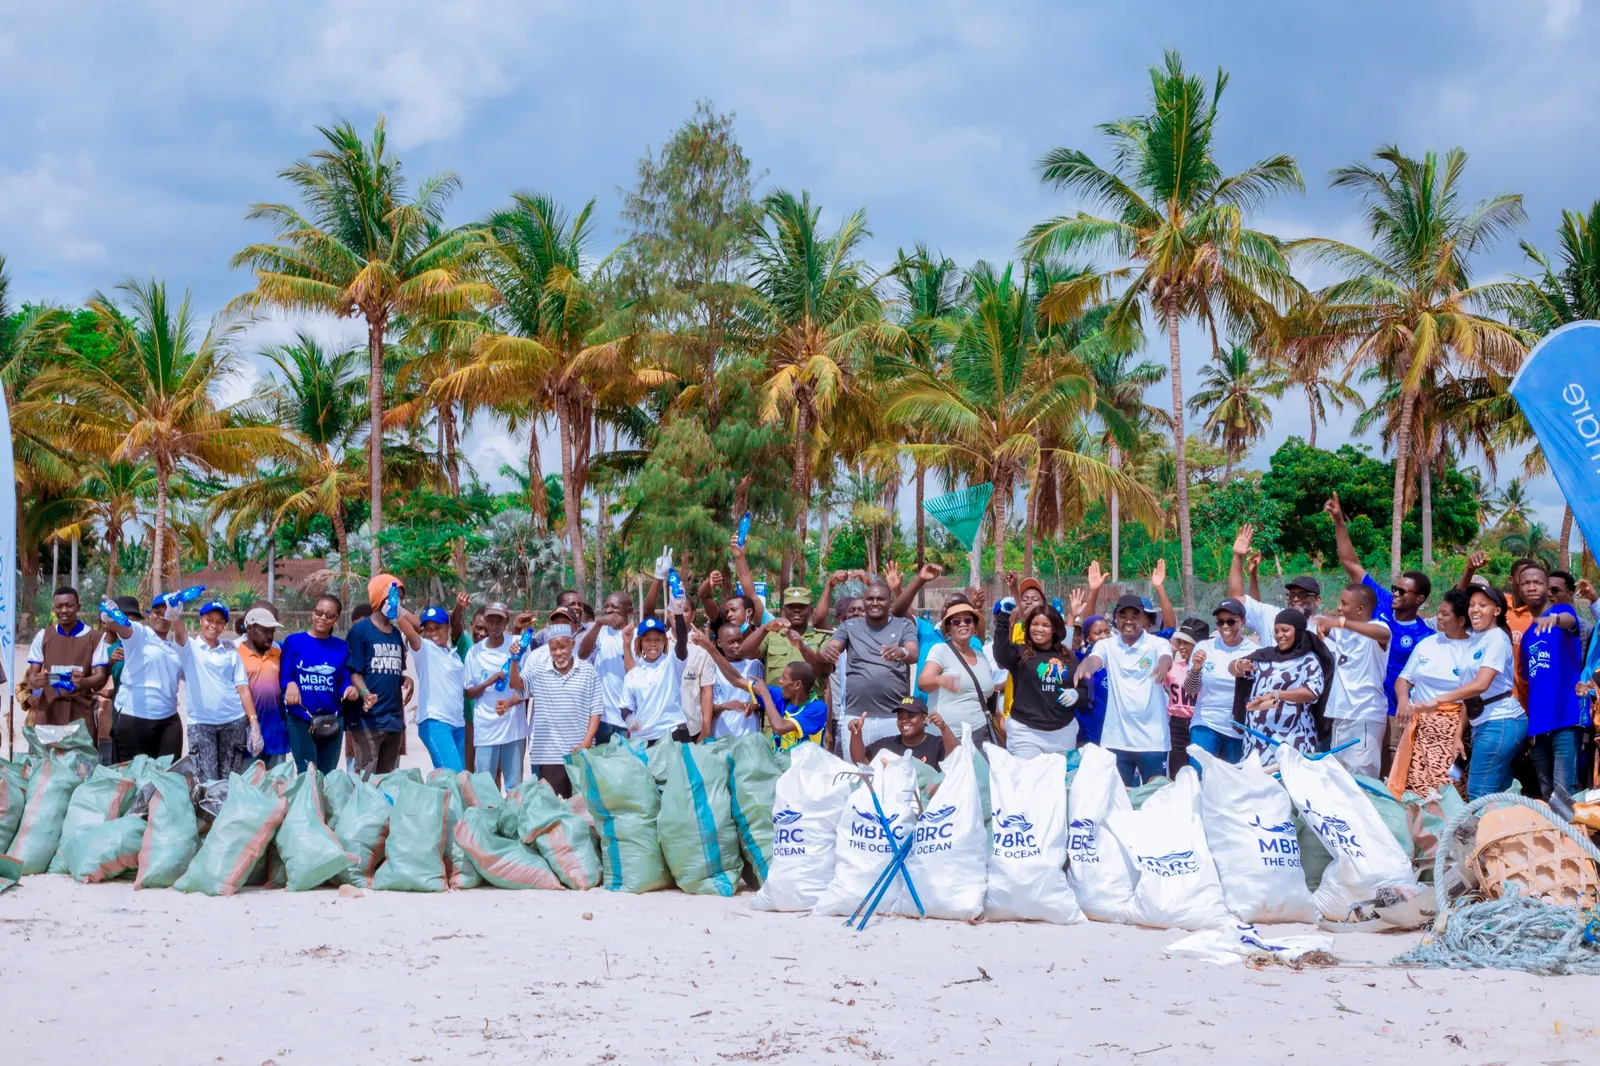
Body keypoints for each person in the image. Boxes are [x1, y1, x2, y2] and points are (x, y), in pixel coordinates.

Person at [1326, 494, 1434, 767]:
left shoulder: (1425, 634)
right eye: (1395, 588)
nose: (1395, 593)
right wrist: (1339, 521)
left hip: (1394, 711)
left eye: (1403, 590)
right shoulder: (1381, 602)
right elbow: (1351, 565)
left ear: (1420, 599)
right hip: (1360, 707)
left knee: (1384, 775)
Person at [1409, 585, 1523, 801]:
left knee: (1479, 793)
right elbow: (1470, 695)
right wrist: (1459, 735)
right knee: (1497, 793)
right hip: (1484, 721)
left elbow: (1480, 685)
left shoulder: (1497, 638)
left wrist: (1436, 700)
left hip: (1500, 721)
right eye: (1471, 605)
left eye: (1483, 605)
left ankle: (1483, 834)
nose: (1475, 610)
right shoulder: (1477, 639)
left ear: (1497, 611)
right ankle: (1503, 832)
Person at [1076, 593, 1173, 786]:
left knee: (1155, 798)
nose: (1129, 621)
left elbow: (1165, 657)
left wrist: (1164, 665)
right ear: (1116, 619)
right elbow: (1096, 659)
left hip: (1153, 741)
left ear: (1144, 618)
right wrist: (1086, 665)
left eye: (1135, 616)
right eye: (1123, 616)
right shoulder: (1107, 645)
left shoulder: (1156, 643)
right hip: (1116, 740)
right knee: (1118, 799)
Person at [171, 600, 262, 781]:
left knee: (230, 780)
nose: (213, 625)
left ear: (224, 626)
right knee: (207, 781)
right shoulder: (189, 648)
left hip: (233, 722)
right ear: (201, 620)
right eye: (209, 620)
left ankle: (228, 810)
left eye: (219, 622)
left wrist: (254, 725)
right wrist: (174, 617)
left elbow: (243, 688)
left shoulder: (230, 650)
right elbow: (180, 634)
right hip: (201, 724)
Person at [1394, 588, 1473, 797]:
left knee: (1449, 789)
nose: (1438, 617)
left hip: (1454, 731)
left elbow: (1470, 697)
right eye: (1439, 611)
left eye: (1445, 614)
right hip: (1420, 729)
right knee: (1417, 788)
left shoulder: (1473, 649)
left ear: (1462, 619)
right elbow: (1404, 679)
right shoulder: (1427, 644)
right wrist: (1403, 700)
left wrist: (1458, 733)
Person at [820, 581, 918, 747]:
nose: (874, 602)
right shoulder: (849, 626)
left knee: (893, 771)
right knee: (857, 771)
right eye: (870, 598)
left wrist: (903, 652)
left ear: (890, 602)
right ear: (863, 601)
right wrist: (826, 651)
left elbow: (913, 652)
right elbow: (833, 645)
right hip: (857, 717)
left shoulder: (903, 625)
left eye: (880, 598)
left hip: (894, 717)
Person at [513, 612, 600, 796]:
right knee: (554, 810)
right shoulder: (538, 672)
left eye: (563, 647)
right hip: (549, 756)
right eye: (554, 648)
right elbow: (516, 685)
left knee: (582, 809)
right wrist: (514, 660)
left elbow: (596, 710)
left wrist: (585, 743)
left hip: (580, 754)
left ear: (572, 645)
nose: (558, 652)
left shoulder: (589, 672)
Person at [1517, 564, 1584, 799]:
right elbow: (1531, 683)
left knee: (1564, 793)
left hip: (1565, 719)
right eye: (1526, 583)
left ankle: (1575, 837)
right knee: (1547, 795)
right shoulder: (1526, 638)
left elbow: (1569, 620)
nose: (1532, 587)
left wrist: (1554, 620)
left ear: (1548, 588)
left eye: (1538, 582)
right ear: (1519, 588)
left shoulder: (1563, 613)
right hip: (1538, 727)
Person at [1311, 583, 1392, 778]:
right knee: (1339, 778)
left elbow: (1385, 635)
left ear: (1360, 609)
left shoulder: (1378, 627)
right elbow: (1320, 621)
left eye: (1344, 603)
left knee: (1362, 779)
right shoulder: (1342, 632)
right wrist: (1322, 623)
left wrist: (1341, 623)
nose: (1339, 608)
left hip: (1365, 716)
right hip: (1340, 715)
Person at [1229, 608, 1327, 761]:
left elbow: (1312, 693)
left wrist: (1276, 694)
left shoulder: (1308, 660)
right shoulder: (1265, 657)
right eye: (1276, 631)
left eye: (1285, 630)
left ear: (1298, 631)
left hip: (1292, 740)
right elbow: (1233, 668)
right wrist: (1239, 665)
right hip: (1257, 740)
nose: (1279, 635)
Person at [96, 594, 184, 760]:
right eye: (158, 612)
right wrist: (111, 617)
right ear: (150, 614)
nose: (162, 617)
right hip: (135, 719)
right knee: (132, 780)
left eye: (167, 613)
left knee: (167, 781)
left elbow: (185, 643)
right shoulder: (140, 634)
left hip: (169, 722)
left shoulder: (173, 647)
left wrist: (177, 619)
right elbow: (125, 627)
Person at [994, 601, 1079, 758]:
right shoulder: (1021, 652)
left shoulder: (1068, 656)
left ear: (1054, 629)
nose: (1039, 629)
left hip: (1063, 733)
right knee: (1028, 781)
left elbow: (1084, 688)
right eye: (1034, 624)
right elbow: (1000, 653)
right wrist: (1004, 617)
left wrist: (1077, 694)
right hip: (1026, 733)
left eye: (1045, 625)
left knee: (1057, 782)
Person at [280, 594, 355, 773]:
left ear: (336, 619)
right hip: (301, 718)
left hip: (332, 719)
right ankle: (307, 802)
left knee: (327, 773)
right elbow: (284, 676)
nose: (322, 618)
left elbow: (343, 682)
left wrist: (350, 689)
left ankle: (323, 802)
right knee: (307, 773)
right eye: (319, 612)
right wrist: (290, 685)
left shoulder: (341, 647)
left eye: (329, 615)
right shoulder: (294, 642)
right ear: (313, 613)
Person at [346, 575, 410, 775]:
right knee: (365, 776)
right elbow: (355, 672)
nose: (395, 603)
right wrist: (365, 693)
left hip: (393, 719)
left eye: (399, 598)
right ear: (378, 598)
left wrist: (406, 680)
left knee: (388, 777)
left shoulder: (396, 634)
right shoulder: (360, 632)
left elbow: (392, 670)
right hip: (368, 719)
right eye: (392, 597)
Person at [1183, 598, 1259, 762]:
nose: (1225, 627)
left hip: (1238, 727)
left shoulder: (1255, 652)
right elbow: (1190, 690)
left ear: (1243, 621)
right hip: (1206, 721)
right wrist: (1196, 668)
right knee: (1198, 772)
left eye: (1231, 621)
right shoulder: (1205, 647)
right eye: (1220, 622)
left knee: (1232, 781)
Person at [396, 602, 468, 772]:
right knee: (455, 777)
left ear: (448, 628)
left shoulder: (454, 655)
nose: (433, 632)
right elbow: (412, 633)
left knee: (458, 777)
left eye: (438, 627)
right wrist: (397, 611)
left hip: (457, 723)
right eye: (428, 629)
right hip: (435, 722)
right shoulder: (425, 649)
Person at [26, 586, 107, 735]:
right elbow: (31, 678)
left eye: (69, 605)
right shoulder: (43, 636)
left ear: (78, 607)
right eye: (59, 606)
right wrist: (37, 682)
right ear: (54, 608)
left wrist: (83, 682)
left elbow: (101, 677)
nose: (64, 610)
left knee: (82, 758)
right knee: (47, 757)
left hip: (80, 714)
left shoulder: (94, 638)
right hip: (49, 713)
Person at [464, 602, 528, 786]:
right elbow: (469, 693)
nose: (493, 626)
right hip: (486, 729)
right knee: (485, 785)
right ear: (484, 620)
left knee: (514, 785)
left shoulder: (517, 645)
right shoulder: (475, 652)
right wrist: (489, 681)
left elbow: (528, 686)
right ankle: (487, 815)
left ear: (506, 622)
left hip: (513, 729)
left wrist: (510, 702)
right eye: (490, 621)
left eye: (498, 621)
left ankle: (512, 815)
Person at [917, 600, 997, 745]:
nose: (963, 624)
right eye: (956, 621)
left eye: (968, 620)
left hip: (980, 733)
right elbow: (923, 682)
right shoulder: (940, 650)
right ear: (948, 629)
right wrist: (941, 680)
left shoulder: (981, 656)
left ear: (974, 628)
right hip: (948, 735)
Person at [618, 608, 692, 743]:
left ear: (664, 641)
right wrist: (629, 719)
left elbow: (682, 640)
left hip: (673, 734)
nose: (653, 644)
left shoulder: (672, 663)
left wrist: (678, 608)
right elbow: (625, 707)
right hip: (643, 738)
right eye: (647, 640)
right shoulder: (633, 674)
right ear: (640, 642)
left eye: (657, 639)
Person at [578, 590, 638, 744]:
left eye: (614, 607)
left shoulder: (637, 636)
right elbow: (582, 654)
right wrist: (598, 624)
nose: (609, 610)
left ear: (629, 611)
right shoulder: (600, 632)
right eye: (606, 607)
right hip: (602, 718)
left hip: (627, 719)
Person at [237, 606, 290, 767]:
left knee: (277, 786)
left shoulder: (278, 653)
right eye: (265, 630)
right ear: (250, 629)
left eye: (272, 631)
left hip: (275, 732)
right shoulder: (236, 654)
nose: (270, 635)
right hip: (246, 733)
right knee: (248, 785)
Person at [847, 695, 955, 768]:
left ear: (924, 718)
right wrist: (856, 732)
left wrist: (944, 728)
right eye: (900, 717)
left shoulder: (936, 744)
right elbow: (860, 761)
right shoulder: (887, 744)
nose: (904, 721)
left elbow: (958, 757)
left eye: (911, 716)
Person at [1165, 618, 1208, 775]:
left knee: (1199, 770)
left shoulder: (1209, 671)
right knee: (1178, 771)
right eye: (1180, 642)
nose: (1182, 647)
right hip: (1176, 726)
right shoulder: (1173, 668)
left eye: (1187, 643)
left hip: (1199, 723)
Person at [708, 622, 765, 738]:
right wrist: (724, 706)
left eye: (740, 640)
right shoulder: (712, 668)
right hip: (721, 734)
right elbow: (705, 705)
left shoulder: (755, 665)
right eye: (731, 642)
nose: (737, 645)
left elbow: (766, 697)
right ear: (719, 643)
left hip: (749, 733)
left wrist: (753, 705)